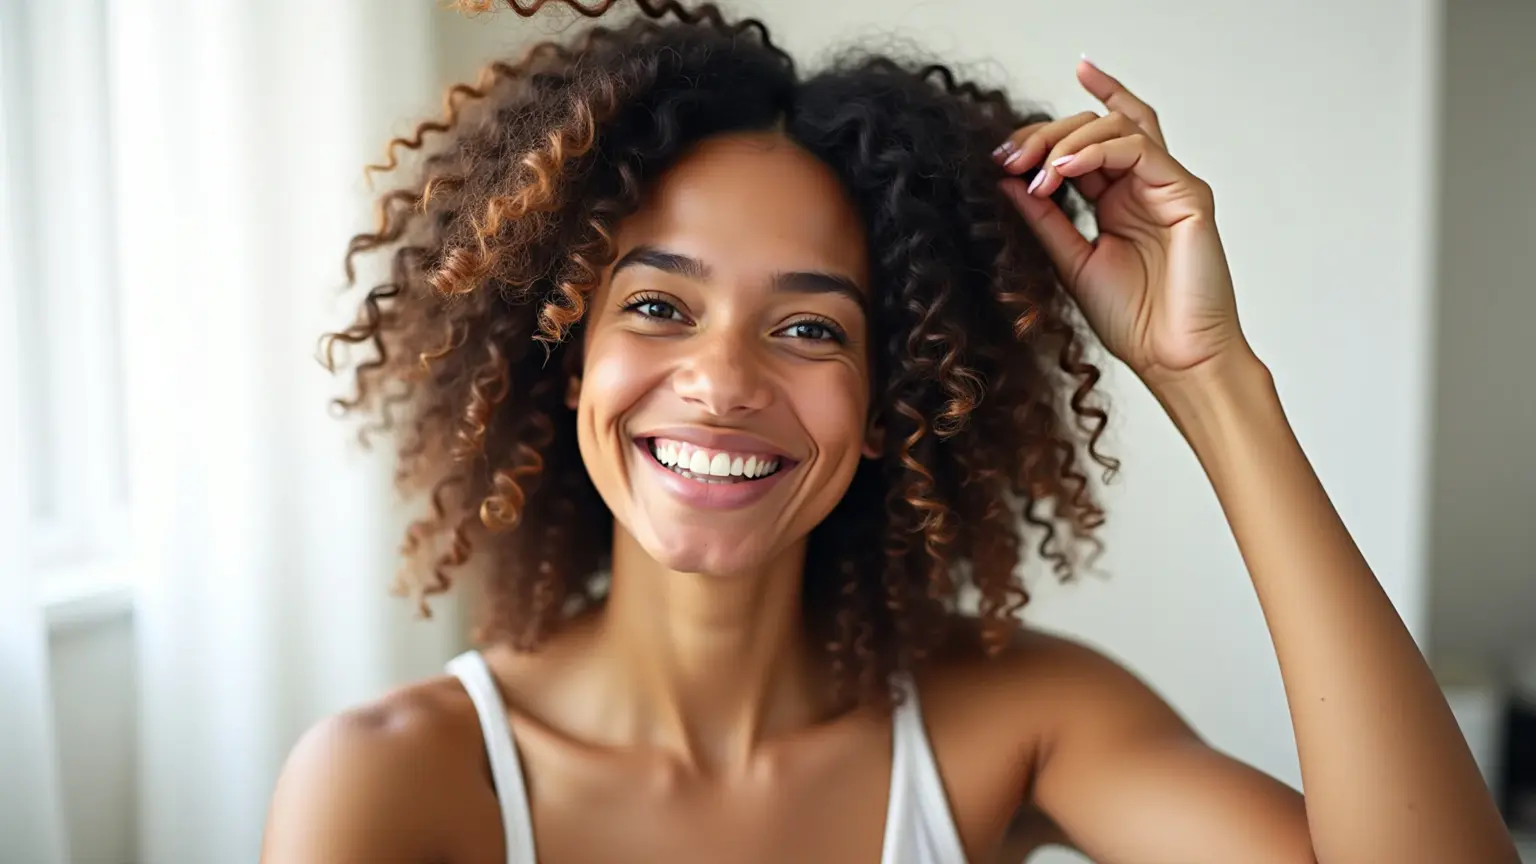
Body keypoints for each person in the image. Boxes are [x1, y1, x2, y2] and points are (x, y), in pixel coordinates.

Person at [260, 1, 1518, 862]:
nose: (720, 382)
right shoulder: (400, 780)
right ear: (567, 360)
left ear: (885, 407)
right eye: (657, 306)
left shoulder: (1011, 719)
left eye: (810, 330)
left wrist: (1211, 381)